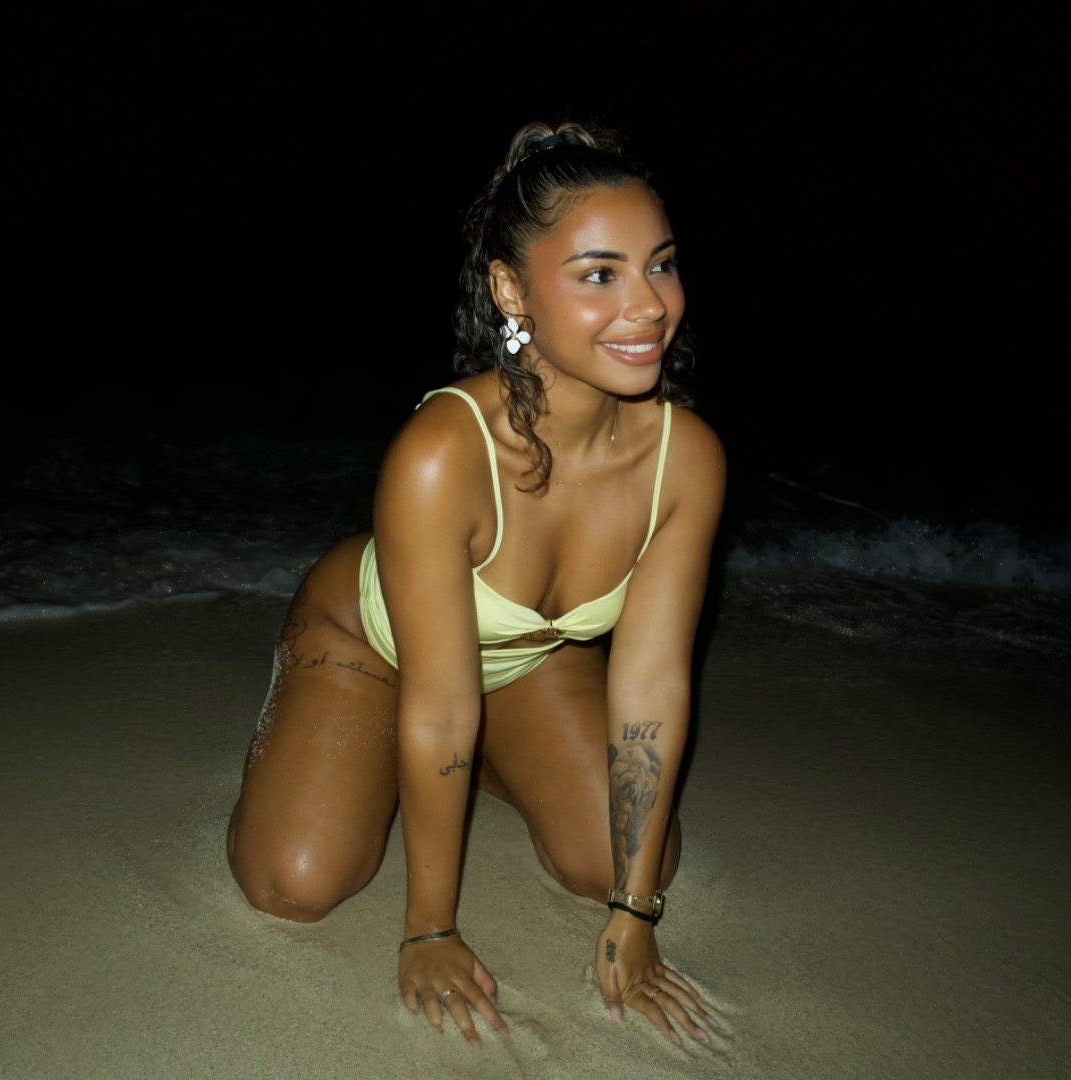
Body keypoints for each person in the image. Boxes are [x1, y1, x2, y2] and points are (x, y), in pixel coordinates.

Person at [226, 120, 725, 1048]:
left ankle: (490, 761)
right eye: (600, 274)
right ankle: (345, 725)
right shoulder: (441, 451)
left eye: (661, 265)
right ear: (510, 290)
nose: (649, 305)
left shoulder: (684, 458)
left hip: (526, 660)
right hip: (371, 646)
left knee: (623, 861)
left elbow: (653, 685)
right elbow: (441, 704)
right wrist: (431, 930)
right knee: (293, 885)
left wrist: (634, 912)